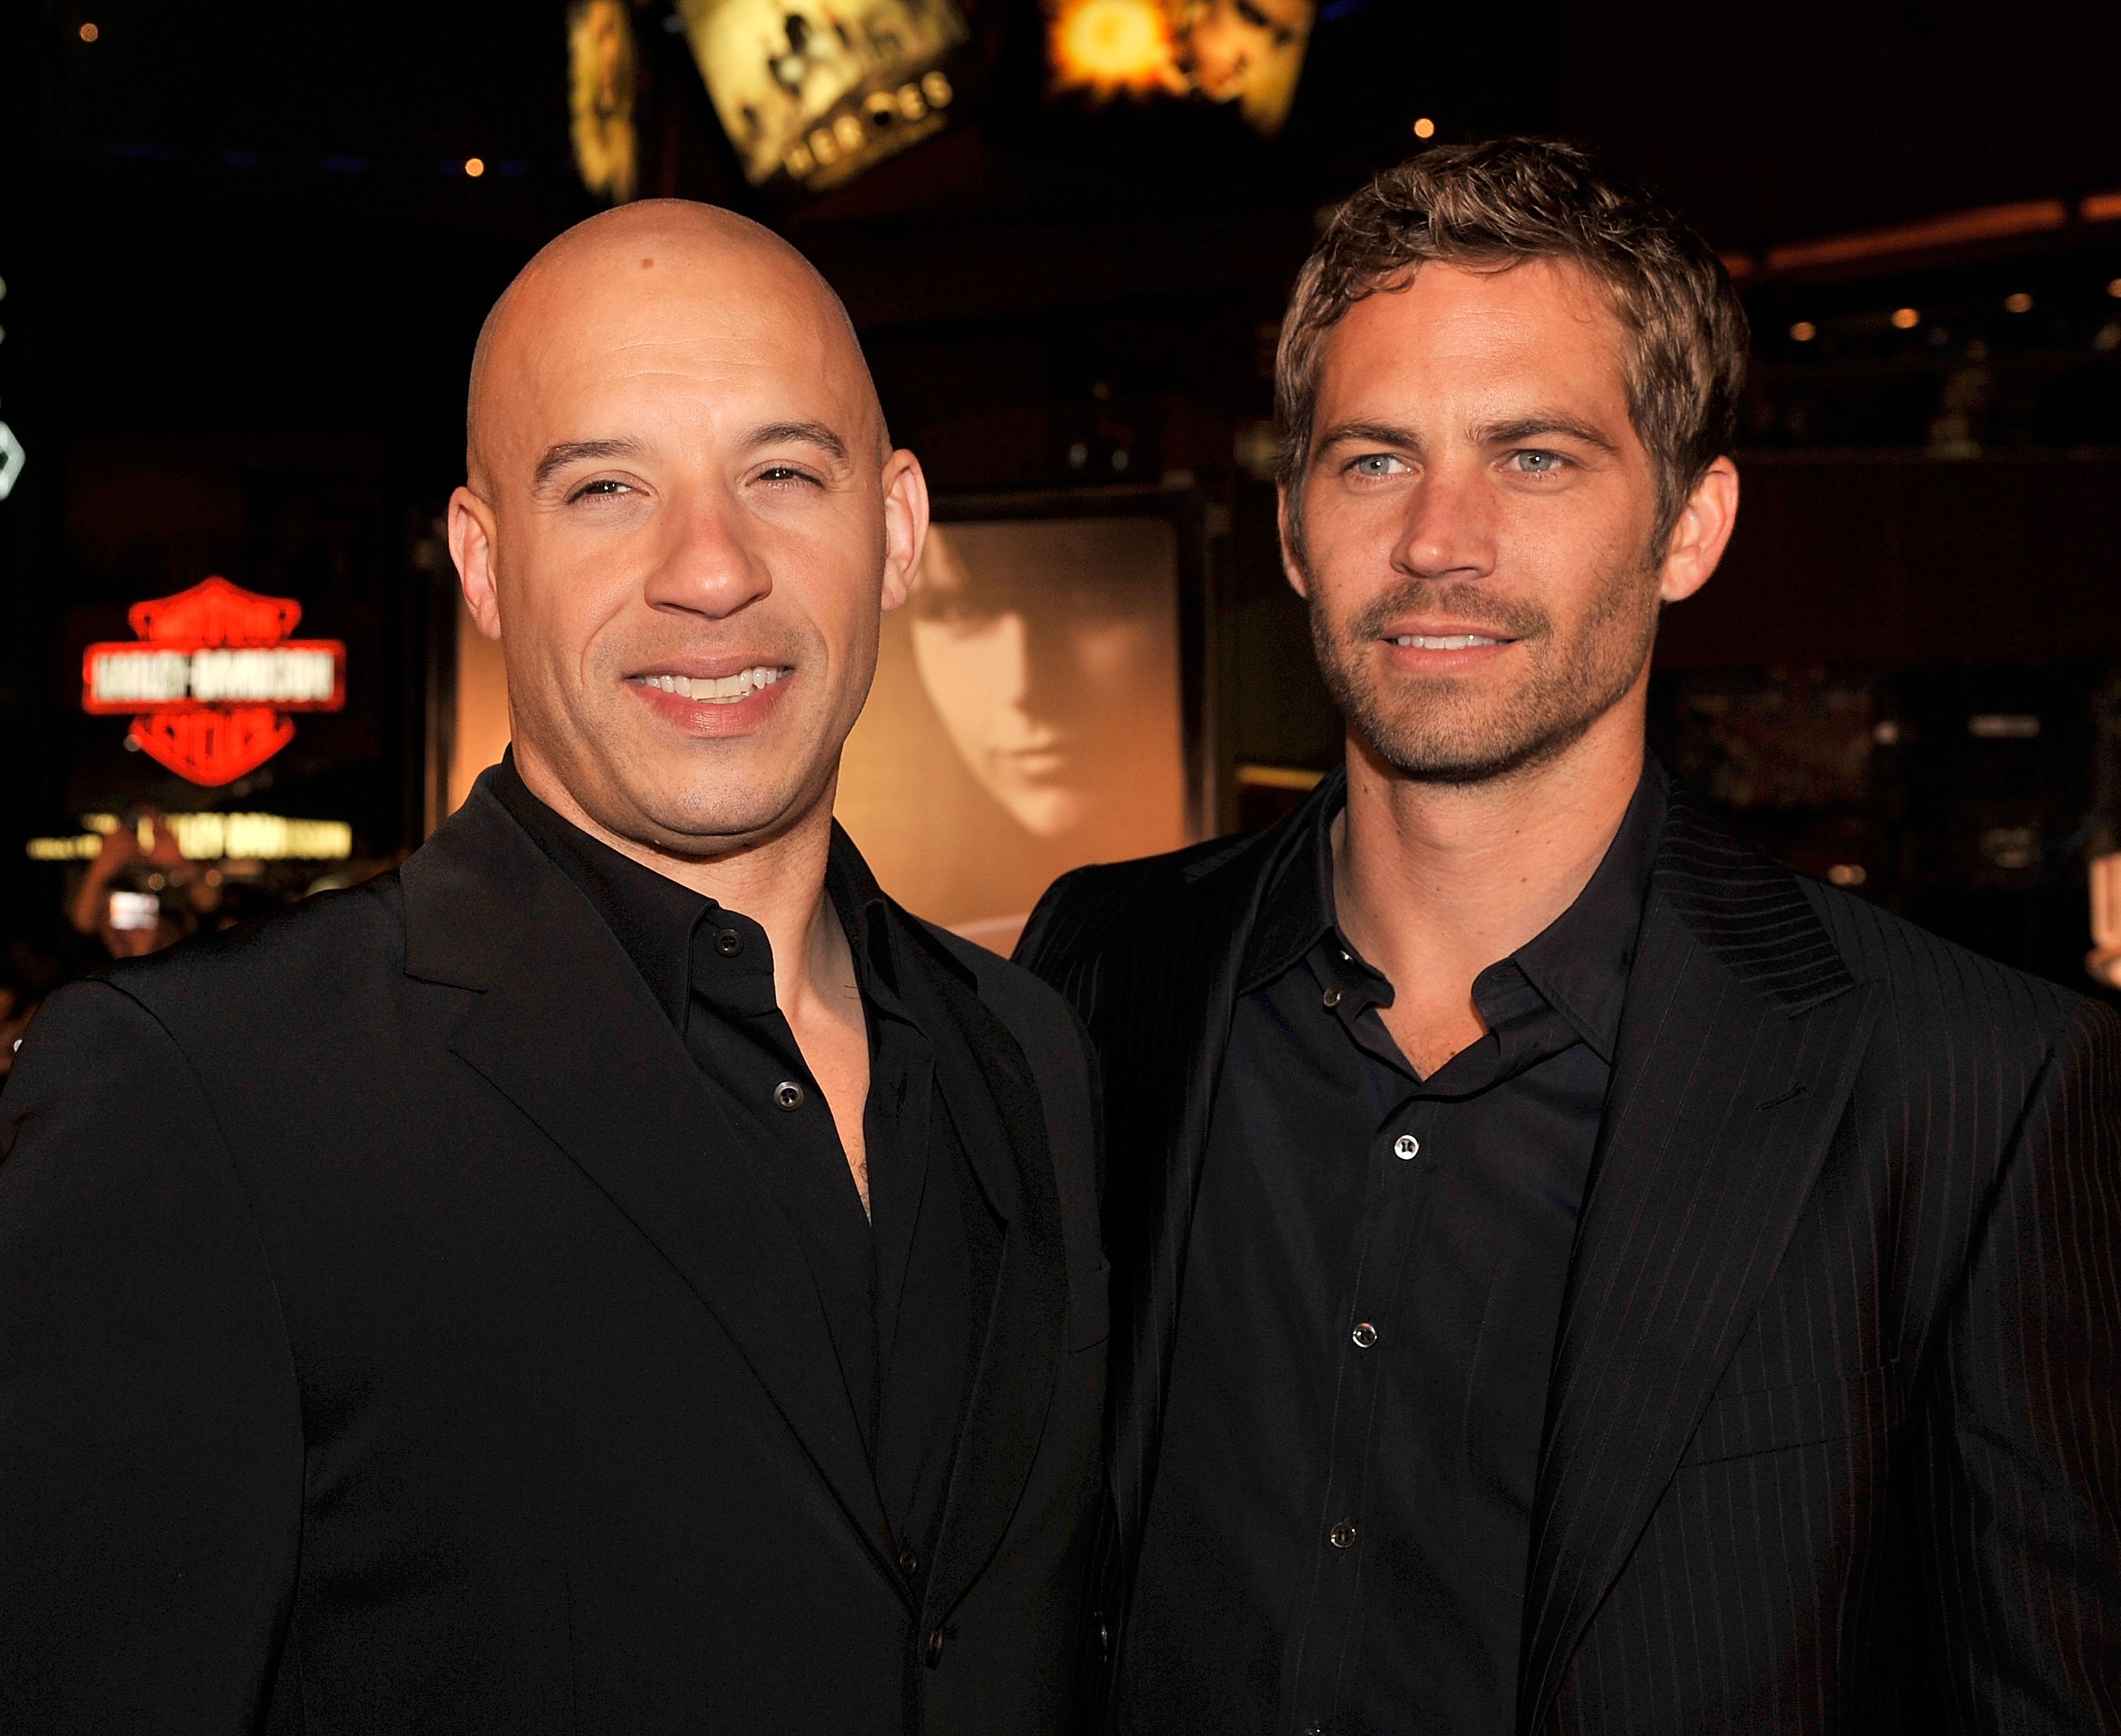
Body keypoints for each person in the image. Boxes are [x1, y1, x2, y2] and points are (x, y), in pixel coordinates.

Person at [1019, 139, 2121, 1734]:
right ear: (1291, 526)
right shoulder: (1104, 968)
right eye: (1375, 459)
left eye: (1534, 458)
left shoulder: (1977, 1090)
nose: (1438, 541)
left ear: (1690, 525)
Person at [0, 201, 1107, 1733]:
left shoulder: (1032, 1055)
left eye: (783, 473)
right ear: (484, 559)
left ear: (899, 528)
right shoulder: (200, 1100)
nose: (710, 569)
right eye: (605, 488)